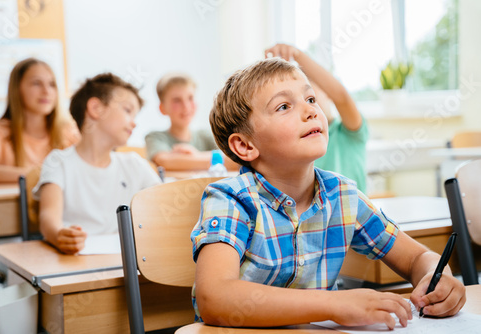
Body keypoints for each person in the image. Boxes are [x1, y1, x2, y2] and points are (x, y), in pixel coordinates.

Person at [190, 58, 465, 329]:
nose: (310, 111)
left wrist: (437, 277)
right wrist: (335, 304)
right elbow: (214, 297)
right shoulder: (230, 199)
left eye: (310, 99)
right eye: (284, 106)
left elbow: (416, 258)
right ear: (245, 145)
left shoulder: (343, 195)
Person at [33, 73, 161, 254]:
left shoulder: (134, 164)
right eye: (127, 110)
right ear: (96, 108)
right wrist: (59, 235)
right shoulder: (58, 162)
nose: (134, 123)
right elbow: (48, 218)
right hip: (75, 261)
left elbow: (164, 206)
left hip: (127, 261)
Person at [265, 44, 368, 193]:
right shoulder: (298, 138)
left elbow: (342, 98)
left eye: (311, 98)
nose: (306, 107)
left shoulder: (350, 133)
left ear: (328, 93)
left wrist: (297, 54)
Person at [0, 58, 80, 183]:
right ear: (17, 89)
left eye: (52, 84)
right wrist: (44, 174)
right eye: (36, 83)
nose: (46, 91)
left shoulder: (69, 131)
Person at [145, 73, 237, 171]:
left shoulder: (205, 136)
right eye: (177, 100)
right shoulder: (155, 137)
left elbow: (234, 159)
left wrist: (196, 156)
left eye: (190, 98)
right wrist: (214, 159)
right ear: (162, 108)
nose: (186, 106)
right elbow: (164, 161)